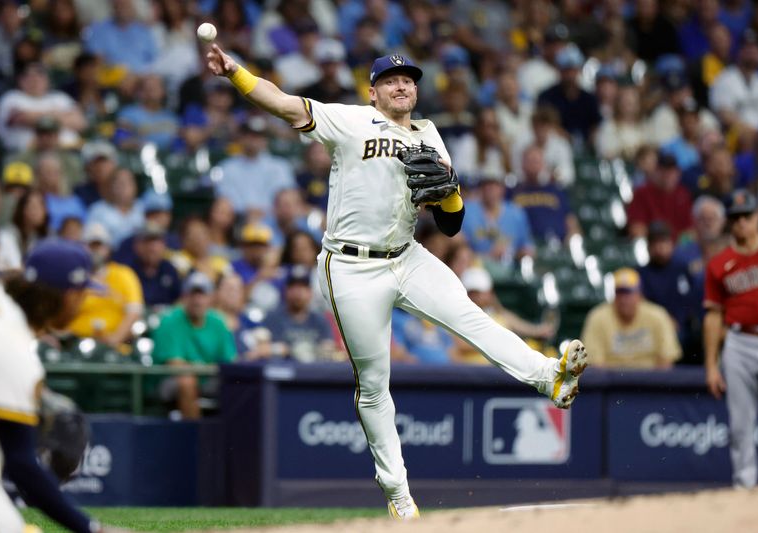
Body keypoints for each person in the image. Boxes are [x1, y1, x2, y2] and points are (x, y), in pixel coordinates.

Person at [207, 44, 588, 519]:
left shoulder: (430, 135)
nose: (402, 84)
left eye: (408, 78)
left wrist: (448, 193)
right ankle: (399, 497)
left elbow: (450, 224)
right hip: (350, 266)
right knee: (373, 384)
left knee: (472, 315)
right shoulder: (348, 120)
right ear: (373, 92)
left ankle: (548, 378)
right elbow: (283, 102)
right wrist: (236, 74)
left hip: (407, 255)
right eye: (391, 79)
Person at [0, 239, 122, 532]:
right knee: (3, 526)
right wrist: (91, 528)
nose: (84, 303)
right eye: (83, 294)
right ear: (68, 296)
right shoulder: (13, 346)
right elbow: (21, 465)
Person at [704, 189, 758, 488]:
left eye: (746, 216)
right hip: (738, 343)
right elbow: (712, 316)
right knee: (739, 426)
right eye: (735, 218)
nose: (741, 223)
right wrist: (711, 365)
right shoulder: (720, 263)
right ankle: (743, 489)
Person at [152, 271, 237, 419]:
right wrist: (208, 368)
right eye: (193, 294)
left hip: (208, 379)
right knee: (187, 381)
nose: (197, 300)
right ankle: (195, 436)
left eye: (202, 295)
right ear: (184, 297)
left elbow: (230, 361)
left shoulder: (217, 322)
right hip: (168, 380)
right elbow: (175, 365)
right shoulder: (170, 321)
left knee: (240, 383)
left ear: (211, 298)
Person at [581, 268, 682, 368]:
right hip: (611, 382)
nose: (624, 299)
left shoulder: (657, 315)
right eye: (620, 293)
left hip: (650, 381)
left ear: (639, 294)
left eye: (629, 293)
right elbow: (595, 365)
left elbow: (666, 360)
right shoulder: (598, 317)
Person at [67, 223, 143, 350]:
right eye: (91, 245)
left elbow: (134, 312)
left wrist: (115, 339)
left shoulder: (123, 274)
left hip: (115, 345)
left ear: (108, 248)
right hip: (75, 342)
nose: (95, 250)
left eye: (99, 245)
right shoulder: (73, 275)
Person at [258, 265, 336, 363]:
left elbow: (328, 347)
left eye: (302, 287)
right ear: (285, 291)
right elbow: (263, 349)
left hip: (314, 372)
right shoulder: (272, 318)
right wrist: (280, 350)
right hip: (282, 370)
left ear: (310, 292)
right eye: (293, 287)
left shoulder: (320, 319)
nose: (297, 292)